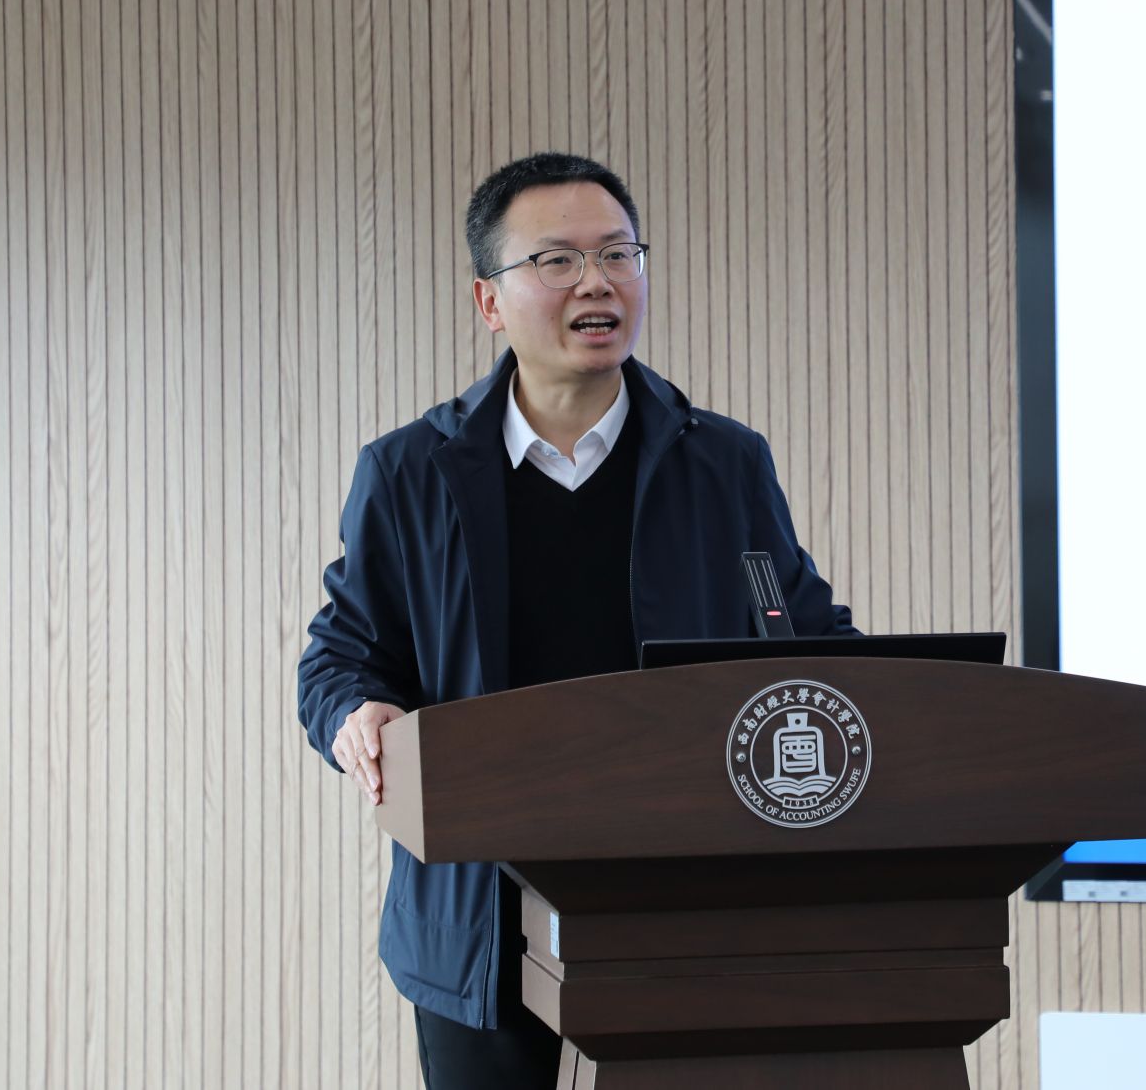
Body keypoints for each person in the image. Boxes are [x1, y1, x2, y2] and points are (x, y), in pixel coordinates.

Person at [295, 151, 860, 1089]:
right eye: (557, 260)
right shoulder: (409, 472)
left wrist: (909, 704)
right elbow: (342, 656)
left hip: (676, 898)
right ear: (489, 301)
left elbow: (802, 635)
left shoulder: (723, 462)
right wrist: (354, 713)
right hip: (479, 906)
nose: (597, 281)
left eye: (618, 254)